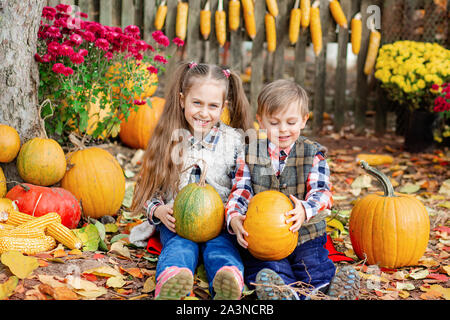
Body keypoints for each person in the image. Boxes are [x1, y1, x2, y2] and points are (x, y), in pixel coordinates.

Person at [227, 79, 360, 300]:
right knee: (266, 265)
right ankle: (282, 292)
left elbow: (322, 193)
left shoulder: (312, 154)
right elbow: (241, 190)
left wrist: (305, 210)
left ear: (303, 121)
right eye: (274, 122)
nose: (283, 129)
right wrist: (234, 218)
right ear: (260, 121)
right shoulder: (249, 153)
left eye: (291, 122)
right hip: (264, 235)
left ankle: (327, 291)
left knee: (312, 264)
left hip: (306, 232)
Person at [130, 61, 253, 300]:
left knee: (222, 247)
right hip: (177, 220)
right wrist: (158, 211)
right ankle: (173, 277)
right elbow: (148, 187)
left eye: (212, 106)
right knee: (178, 247)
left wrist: (234, 215)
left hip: (219, 221)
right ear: (182, 99)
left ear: (223, 107)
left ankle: (228, 278)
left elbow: (242, 185)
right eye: (197, 103)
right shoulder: (169, 138)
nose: (203, 112)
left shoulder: (234, 141)